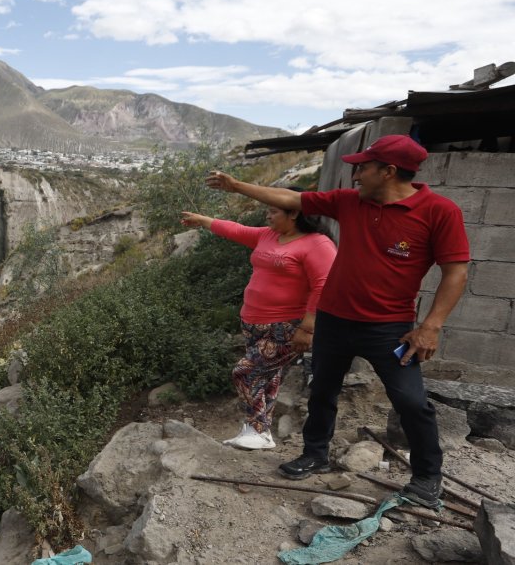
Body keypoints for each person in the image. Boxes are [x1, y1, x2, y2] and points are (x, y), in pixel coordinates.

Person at [205, 134, 469, 509]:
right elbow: (292, 200)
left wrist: (432, 325)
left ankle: (427, 476)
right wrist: (236, 186)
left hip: (388, 327)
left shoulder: (439, 211)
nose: (356, 175)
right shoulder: (351, 203)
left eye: (363, 167)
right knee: (322, 391)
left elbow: (455, 272)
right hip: (333, 320)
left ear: (388, 171)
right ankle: (315, 453)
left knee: (411, 401)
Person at [180, 199, 335, 451]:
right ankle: (260, 432)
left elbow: (325, 285)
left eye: (273, 210)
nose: (267, 215)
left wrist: (308, 328)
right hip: (254, 323)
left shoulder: (317, 244)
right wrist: (204, 221)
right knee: (267, 375)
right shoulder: (269, 235)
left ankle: (258, 429)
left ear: (294, 212)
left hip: (287, 326)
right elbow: (237, 230)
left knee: (245, 372)